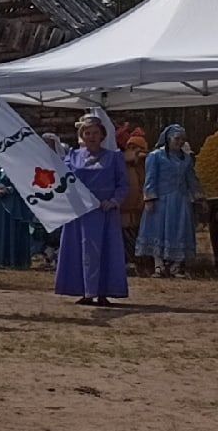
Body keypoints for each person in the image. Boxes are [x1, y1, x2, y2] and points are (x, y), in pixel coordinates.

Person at [56, 115, 129, 306]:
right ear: (82, 136)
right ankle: (85, 291)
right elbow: (64, 181)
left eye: (95, 133)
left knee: (105, 251)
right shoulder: (72, 156)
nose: (91, 137)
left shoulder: (114, 157)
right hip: (81, 213)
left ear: (102, 135)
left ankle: (104, 292)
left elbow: (123, 184)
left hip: (104, 212)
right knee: (81, 251)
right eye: (87, 133)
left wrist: (114, 201)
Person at [136, 124, 204, 278]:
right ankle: (158, 264)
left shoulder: (185, 158)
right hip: (161, 199)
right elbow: (150, 178)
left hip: (180, 200)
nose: (179, 142)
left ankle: (176, 265)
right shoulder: (155, 156)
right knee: (158, 230)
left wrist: (199, 196)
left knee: (179, 230)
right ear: (168, 138)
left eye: (182, 139)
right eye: (177, 138)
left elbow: (191, 179)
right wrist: (149, 197)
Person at [0, 163, 33, 269]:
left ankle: (10, 260)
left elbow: (21, 184)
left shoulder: (17, 167)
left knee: (9, 231)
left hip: (11, 206)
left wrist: (6, 190)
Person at [120, 131, 149, 272]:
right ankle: (128, 260)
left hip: (140, 207)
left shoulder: (145, 164)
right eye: (130, 146)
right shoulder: (124, 162)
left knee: (138, 234)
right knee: (126, 234)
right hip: (126, 206)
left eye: (137, 147)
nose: (134, 150)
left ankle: (139, 260)